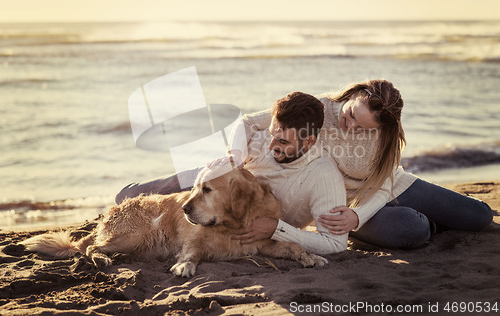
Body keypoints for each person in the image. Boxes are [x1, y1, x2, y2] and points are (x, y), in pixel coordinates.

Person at [241, 80, 493, 249]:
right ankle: (433, 223)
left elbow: (387, 182)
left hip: (391, 189)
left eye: (362, 127)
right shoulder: (319, 109)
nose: (350, 126)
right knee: (414, 228)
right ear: (352, 95)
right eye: (350, 115)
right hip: (348, 205)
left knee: (481, 216)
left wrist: (358, 217)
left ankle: (435, 215)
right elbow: (246, 123)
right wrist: (232, 156)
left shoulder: (384, 136)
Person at [117, 92, 348, 255]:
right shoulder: (262, 140)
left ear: (309, 141)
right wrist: (236, 154)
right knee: (127, 196)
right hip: (211, 181)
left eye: (282, 141)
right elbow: (245, 122)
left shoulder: (324, 176)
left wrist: (278, 229)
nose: (270, 146)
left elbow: (335, 244)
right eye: (271, 134)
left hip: (215, 202)